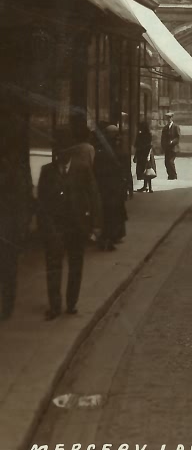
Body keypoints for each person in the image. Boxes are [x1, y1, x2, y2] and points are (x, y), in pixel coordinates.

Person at [37, 122, 102, 319]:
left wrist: (97, 224)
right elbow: (42, 202)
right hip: (55, 227)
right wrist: (46, 229)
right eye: (57, 150)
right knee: (53, 266)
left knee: (75, 266)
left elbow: (94, 196)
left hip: (76, 226)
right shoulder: (47, 172)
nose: (60, 155)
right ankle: (55, 306)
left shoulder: (82, 169)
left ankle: (71, 302)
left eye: (64, 150)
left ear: (71, 151)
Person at [0, 120, 33, 321]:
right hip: (9, 228)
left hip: (8, 228)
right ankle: (7, 305)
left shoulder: (15, 172)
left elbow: (22, 201)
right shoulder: (18, 170)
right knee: (8, 270)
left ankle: (7, 306)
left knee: (9, 269)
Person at [94, 124, 126, 250]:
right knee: (114, 212)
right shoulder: (118, 146)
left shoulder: (104, 148)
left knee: (109, 213)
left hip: (108, 186)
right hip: (113, 186)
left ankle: (109, 237)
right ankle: (113, 237)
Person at [134, 121, 154, 192]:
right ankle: (148, 186)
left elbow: (137, 146)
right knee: (147, 170)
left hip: (143, 154)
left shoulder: (141, 135)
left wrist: (136, 156)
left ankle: (147, 186)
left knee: (145, 170)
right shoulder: (148, 134)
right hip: (146, 154)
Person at [161, 112, 180, 180]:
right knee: (166, 162)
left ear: (172, 118)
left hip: (173, 148)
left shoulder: (175, 127)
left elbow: (178, 137)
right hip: (167, 148)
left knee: (170, 161)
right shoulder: (165, 128)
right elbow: (163, 138)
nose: (168, 119)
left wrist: (173, 141)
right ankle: (170, 175)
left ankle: (174, 175)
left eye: (169, 118)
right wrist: (163, 146)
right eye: (167, 118)